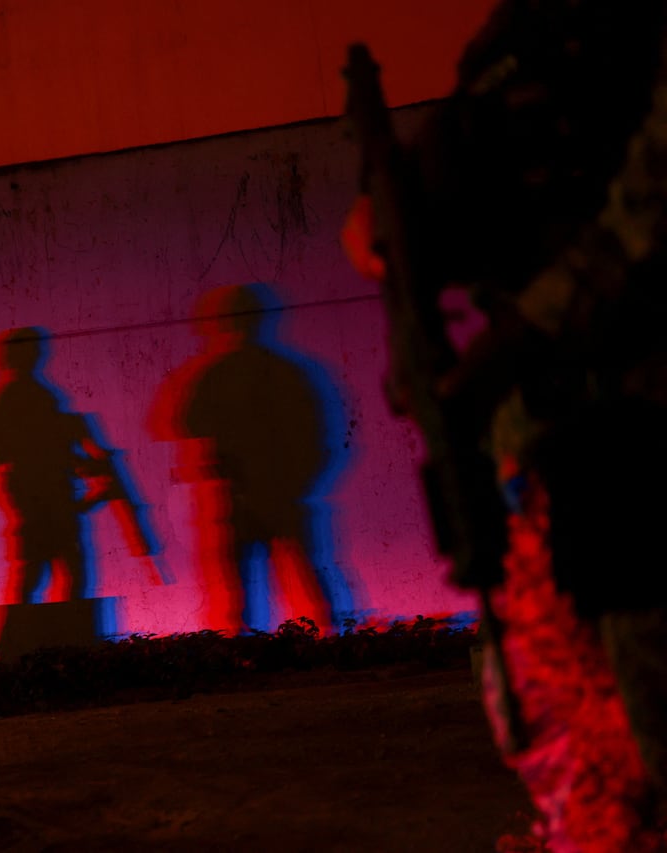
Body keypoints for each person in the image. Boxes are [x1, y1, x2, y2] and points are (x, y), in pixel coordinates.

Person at [342, 2, 667, 848]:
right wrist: (394, 236)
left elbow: (645, 215)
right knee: (564, 731)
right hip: (562, 455)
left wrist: (516, 343)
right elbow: (427, 204)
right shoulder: (518, 44)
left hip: (634, 420)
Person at [147, 284, 337, 634]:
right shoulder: (283, 371)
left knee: (244, 583)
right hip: (269, 492)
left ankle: (245, 647)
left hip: (250, 493)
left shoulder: (218, 374)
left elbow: (182, 421)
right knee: (293, 574)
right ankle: (327, 639)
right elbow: (315, 432)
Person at [0, 327, 109, 604]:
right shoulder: (20, 397)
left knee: (51, 573)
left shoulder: (29, 396)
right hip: (39, 491)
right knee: (46, 572)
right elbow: (10, 453)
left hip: (46, 489)